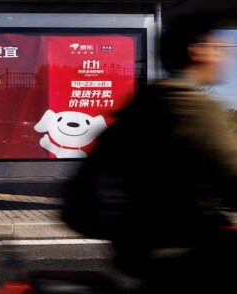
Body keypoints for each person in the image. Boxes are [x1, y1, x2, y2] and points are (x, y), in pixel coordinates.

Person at [64, 13, 237, 292]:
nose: (223, 57)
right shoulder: (192, 108)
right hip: (181, 249)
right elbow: (231, 175)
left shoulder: (141, 106)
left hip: (134, 245)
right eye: (218, 48)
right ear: (196, 50)